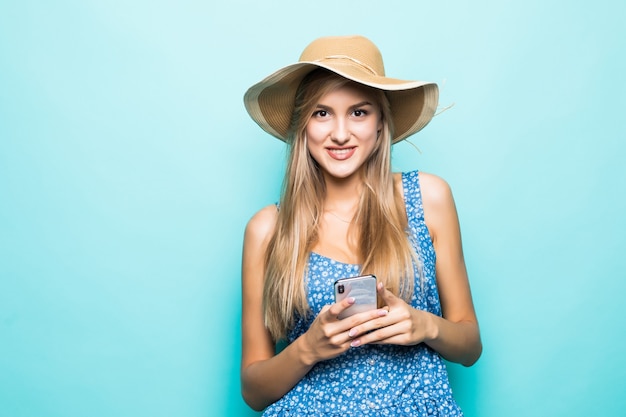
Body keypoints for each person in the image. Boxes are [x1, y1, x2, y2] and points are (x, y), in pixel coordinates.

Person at [240, 35, 482, 416]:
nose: (339, 133)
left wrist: (424, 326)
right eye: (321, 113)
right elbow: (253, 391)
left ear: (382, 123)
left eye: (359, 112)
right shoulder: (268, 229)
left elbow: (470, 345)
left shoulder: (429, 198)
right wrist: (308, 349)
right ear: (302, 125)